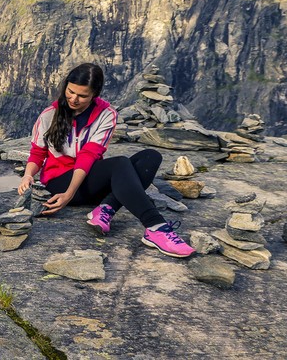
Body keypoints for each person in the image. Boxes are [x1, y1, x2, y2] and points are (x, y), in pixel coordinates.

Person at [17, 63, 194, 258]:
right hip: (59, 183)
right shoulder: (49, 115)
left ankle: (106, 208)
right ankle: (156, 226)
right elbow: (37, 152)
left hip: (85, 181)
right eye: (70, 92)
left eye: (82, 95)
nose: (74, 99)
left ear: (95, 94)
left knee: (150, 157)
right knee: (119, 164)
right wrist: (28, 175)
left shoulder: (106, 115)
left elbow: (88, 156)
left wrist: (71, 192)